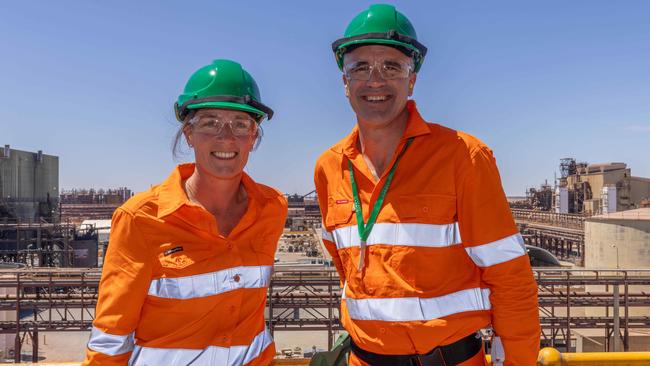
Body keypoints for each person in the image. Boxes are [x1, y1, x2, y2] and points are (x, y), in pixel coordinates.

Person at [314, 4, 540, 366]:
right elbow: (349, 270)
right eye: (360, 67)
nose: (375, 80)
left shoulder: (463, 157)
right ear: (345, 82)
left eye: (392, 67)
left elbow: (510, 278)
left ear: (412, 79)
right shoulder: (329, 167)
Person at [83, 59, 288, 365]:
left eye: (240, 124)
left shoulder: (272, 208)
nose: (226, 137)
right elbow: (110, 340)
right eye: (210, 122)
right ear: (189, 134)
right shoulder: (141, 219)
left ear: (253, 136)